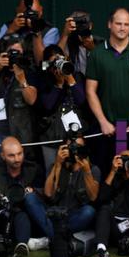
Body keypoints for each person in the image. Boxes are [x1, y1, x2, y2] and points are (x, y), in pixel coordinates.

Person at [85, 7, 129, 181]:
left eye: (127, 24)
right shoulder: (97, 54)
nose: (122, 28)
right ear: (109, 24)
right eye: (118, 23)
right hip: (108, 129)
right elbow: (90, 90)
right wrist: (102, 121)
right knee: (108, 175)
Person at [0, 34, 39, 163]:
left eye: (18, 53)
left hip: (18, 131)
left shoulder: (28, 68)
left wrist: (22, 80)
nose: (14, 56)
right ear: (4, 53)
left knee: (15, 166)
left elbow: (32, 100)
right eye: (11, 53)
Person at [38, 44, 87, 172]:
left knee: (78, 171)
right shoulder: (44, 79)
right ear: (47, 65)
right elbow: (47, 106)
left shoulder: (76, 76)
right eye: (53, 62)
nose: (57, 64)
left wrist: (69, 78)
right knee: (53, 173)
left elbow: (82, 101)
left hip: (75, 136)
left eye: (59, 60)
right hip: (52, 139)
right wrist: (58, 84)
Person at [43, 133, 100, 237]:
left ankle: (53, 237)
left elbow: (93, 197)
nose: (74, 151)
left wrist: (86, 171)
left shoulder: (92, 169)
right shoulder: (55, 165)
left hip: (76, 215)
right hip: (56, 213)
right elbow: (48, 193)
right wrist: (58, 164)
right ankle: (58, 237)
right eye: (72, 147)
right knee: (31, 199)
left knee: (89, 211)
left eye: (78, 147)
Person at [0, 0, 59, 65]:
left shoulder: (49, 30)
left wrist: (36, 31)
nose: (30, 18)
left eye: (34, 14)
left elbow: (43, 63)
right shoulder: (9, 26)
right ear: (17, 11)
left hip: (36, 73)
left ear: (41, 11)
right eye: (26, 14)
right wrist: (10, 30)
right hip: (12, 70)